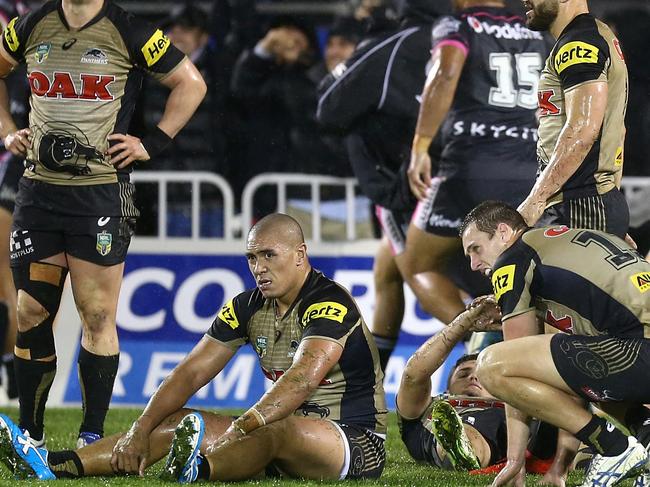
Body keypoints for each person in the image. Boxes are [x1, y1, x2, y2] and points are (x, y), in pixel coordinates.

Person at [0, 214, 388, 482]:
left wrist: (241, 428)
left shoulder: (328, 303)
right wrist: (140, 427)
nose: (259, 267)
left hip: (353, 441)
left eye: (269, 255)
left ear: (300, 255)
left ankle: (199, 470)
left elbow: (302, 379)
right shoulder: (247, 306)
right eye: (252, 257)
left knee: (273, 428)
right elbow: (190, 372)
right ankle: (53, 465)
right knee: (176, 422)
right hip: (277, 436)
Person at [0, 0, 206, 448]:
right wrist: (6, 129)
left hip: (99, 194)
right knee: (31, 311)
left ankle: (90, 434)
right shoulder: (32, 24)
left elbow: (190, 83)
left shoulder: (129, 31)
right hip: (37, 191)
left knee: (96, 315)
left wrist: (153, 143)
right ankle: (30, 434)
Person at [460, 200, 650, 486]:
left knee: (491, 364)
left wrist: (515, 460)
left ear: (503, 232)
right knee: (579, 358)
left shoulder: (512, 260)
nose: (474, 264)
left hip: (638, 350)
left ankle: (615, 447)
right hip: (635, 346)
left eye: (476, 249)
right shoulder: (564, 238)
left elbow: (512, 359)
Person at [399, 0, 550, 330]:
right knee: (532, 270)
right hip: (529, 173)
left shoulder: (457, 25)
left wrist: (420, 146)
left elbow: (446, 72)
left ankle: (476, 335)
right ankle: (526, 345)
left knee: (416, 265)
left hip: (469, 169)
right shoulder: (537, 31)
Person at [317, 0, 444, 369]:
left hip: (404, 181)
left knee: (414, 268)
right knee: (385, 270)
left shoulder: (395, 42)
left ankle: (485, 336)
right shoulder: (450, 31)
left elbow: (328, 107)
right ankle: (371, 373)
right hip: (446, 167)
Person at [397, 297, 560, 478]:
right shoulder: (428, 407)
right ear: (448, 387)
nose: (473, 376)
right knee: (463, 425)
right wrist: (467, 319)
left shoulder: (521, 403)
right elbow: (413, 375)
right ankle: (462, 447)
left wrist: (532, 319)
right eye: (463, 374)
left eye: (482, 373)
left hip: (526, 434)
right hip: (456, 427)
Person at [517, 0, 630, 240]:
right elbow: (617, 131)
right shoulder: (593, 34)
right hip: (590, 201)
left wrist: (536, 198)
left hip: (577, 203)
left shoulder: (579, 42)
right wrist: (610, 201)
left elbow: (583, 130)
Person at [0, 0, 28, 403]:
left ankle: (14, 363)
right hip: (15, 160)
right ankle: (11, 362)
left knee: (14, 275)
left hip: (25, 166)